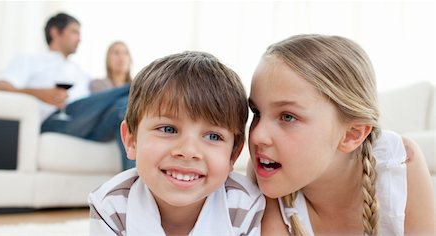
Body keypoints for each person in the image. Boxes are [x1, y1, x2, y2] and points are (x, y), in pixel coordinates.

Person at [247, 34, 435, 235]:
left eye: (288, 117)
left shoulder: (398, 165)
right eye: (256, 112)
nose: (257, 135)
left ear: (352, 135)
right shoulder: (267, 174)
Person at [88, 51, 265, 235]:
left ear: (233, 155)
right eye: (168, 129)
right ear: (132, 141)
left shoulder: (244, 204)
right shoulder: (110, 205)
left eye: (213, 136)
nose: (188, 151)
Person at [0, 12, 133, 170]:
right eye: (74, 32)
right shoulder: (30, 60)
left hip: (87, 124)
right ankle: (138, 85)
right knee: (130, 90)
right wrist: (40, 94)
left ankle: (134, 187)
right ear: (55, 32)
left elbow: (96, 103)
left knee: (123, 107)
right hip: (55, 121)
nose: (79, 39)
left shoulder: (80, 72)